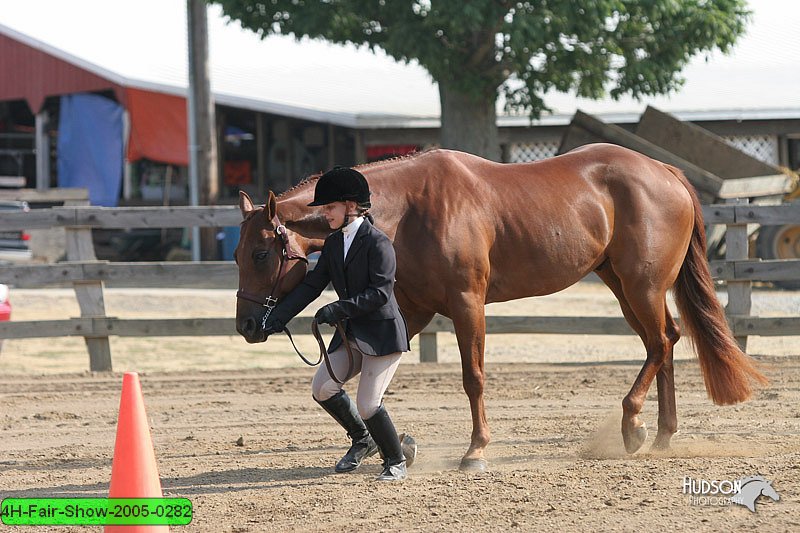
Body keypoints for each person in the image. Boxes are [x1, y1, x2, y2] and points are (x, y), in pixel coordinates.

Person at [262, 166, 413, 481]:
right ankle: (363, 439)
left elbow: (380, 293)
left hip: (382, 334)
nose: (325, 214)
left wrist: (338, 309)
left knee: (368, 403)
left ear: (351, 206)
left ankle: (396, 460)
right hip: (353, 333)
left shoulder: (378, 243)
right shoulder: (333, 244)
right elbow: (311, 285)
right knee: (322, 388)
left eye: (330, 207)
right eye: (324, 208)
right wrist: (278, 317)